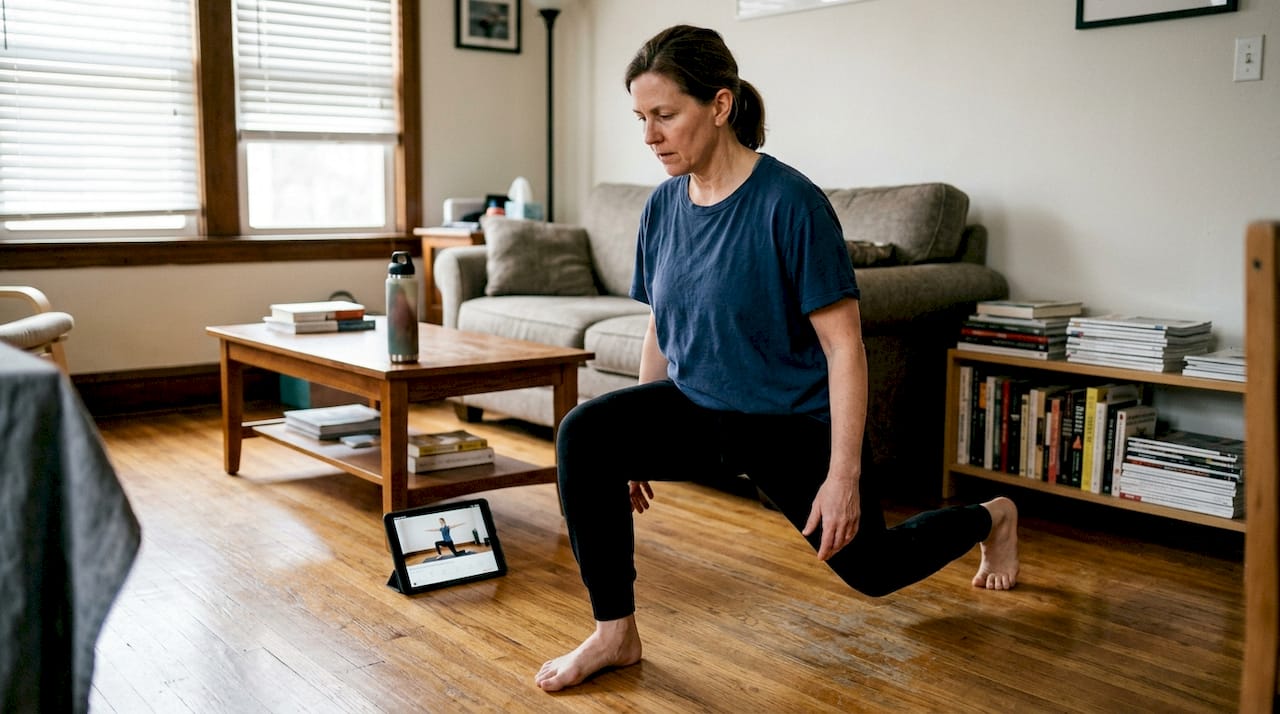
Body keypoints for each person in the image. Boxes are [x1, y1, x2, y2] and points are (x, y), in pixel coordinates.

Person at [534, 24, 1019, 693]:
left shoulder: (790, 204)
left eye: (666, 116)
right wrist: (635, 438)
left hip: (791, 423)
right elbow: (661, 324)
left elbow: (844, 348)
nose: (650, 136)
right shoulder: (662, 207)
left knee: (872, 572)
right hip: (701, 409)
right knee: (586, 434)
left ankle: (991, 515)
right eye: (642, 118)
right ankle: (615, 632)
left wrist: (842, 475)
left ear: (720, 105)